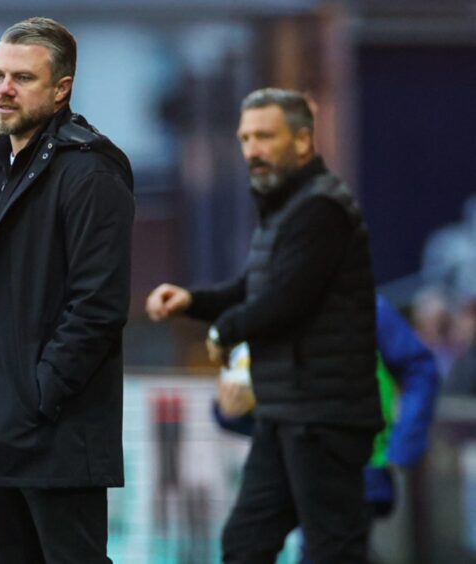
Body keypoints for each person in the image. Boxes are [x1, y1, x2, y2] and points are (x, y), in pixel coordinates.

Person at [0, 17, 134, 564]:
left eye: (22, 78)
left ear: (62, 89)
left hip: (54, 429)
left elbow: (98, 305)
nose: (4, 90)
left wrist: (42, 393)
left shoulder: (91, 171)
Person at [146, 88, 383, 563]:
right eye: (245, 138)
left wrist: (222, 331)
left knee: (334, 548)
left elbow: (287, 301)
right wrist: (193, 301)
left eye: (265, 137)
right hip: (285, 411)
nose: (252, 149)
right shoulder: (286, 207)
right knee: (246, 544)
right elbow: (255, 288)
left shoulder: (322, 208)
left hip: (323, 413)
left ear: (302, 141)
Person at [213, 295, 440, 561]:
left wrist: (403, 446)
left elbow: (420, 369)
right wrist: (229, 410)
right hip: (286, 467)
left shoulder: (366, 308)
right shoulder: (266, 311)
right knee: (247, 544)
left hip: (355, 464)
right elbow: (258, 401)